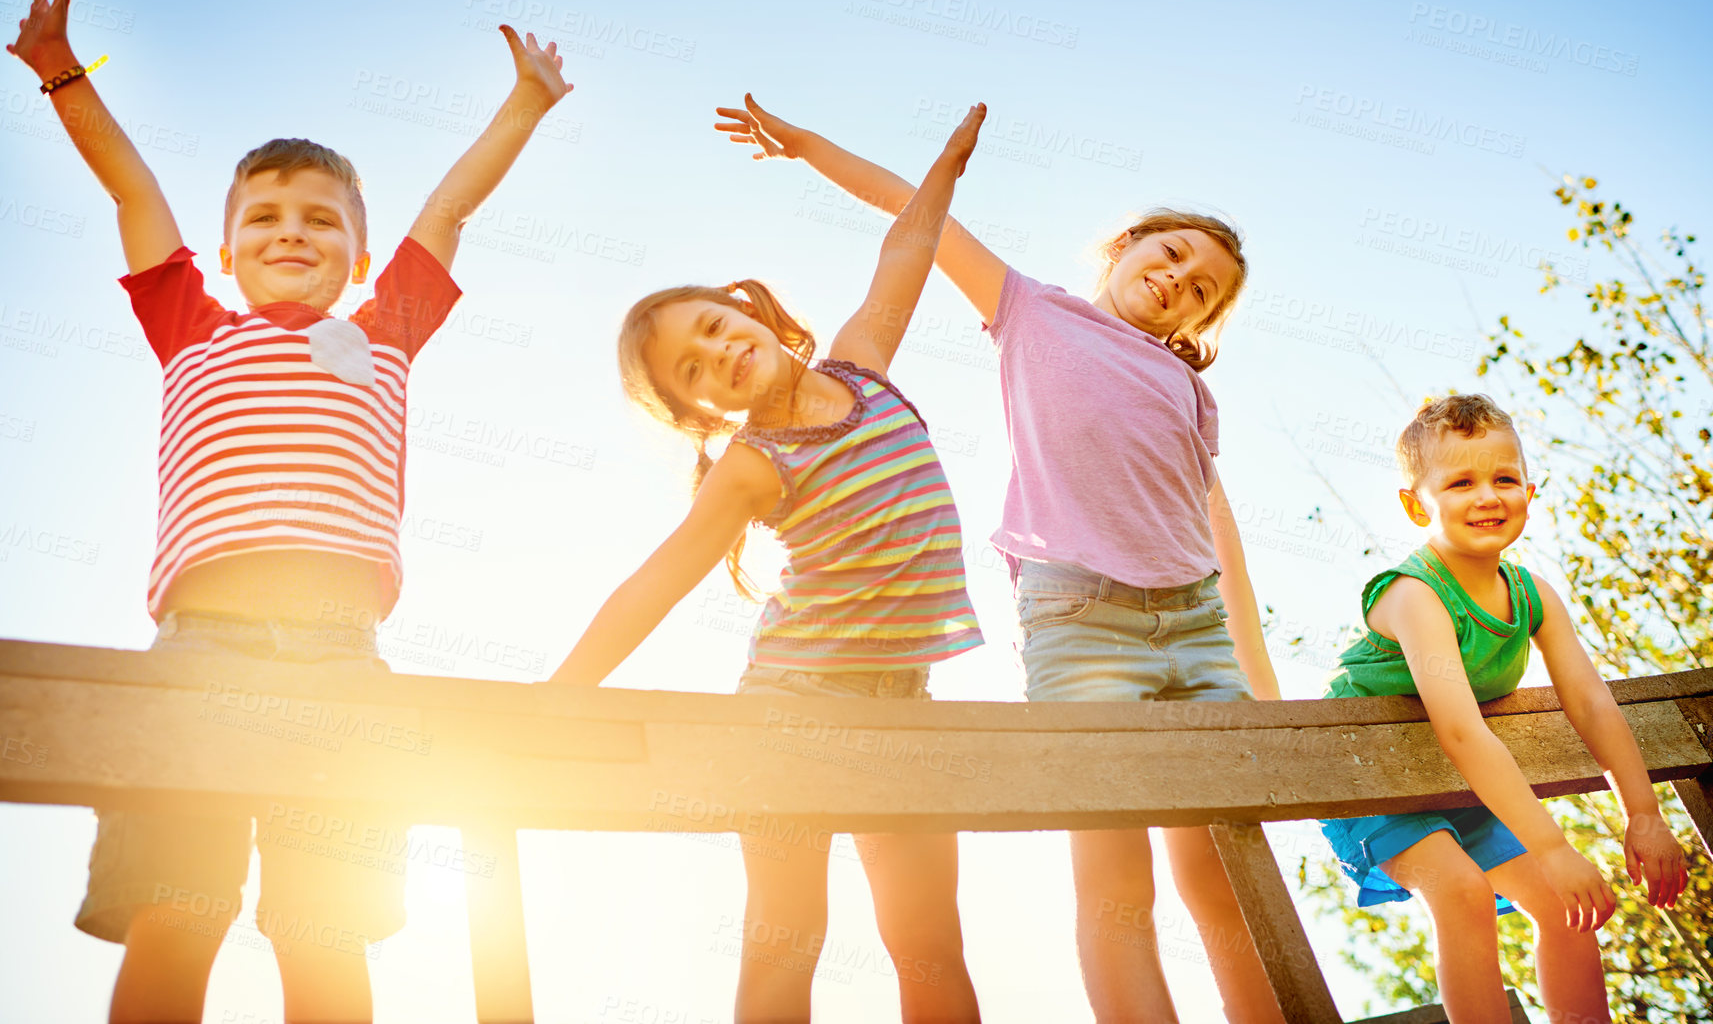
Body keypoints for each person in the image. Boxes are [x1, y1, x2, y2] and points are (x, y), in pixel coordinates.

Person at [7, 0, 571, 1024]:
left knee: (323, 922)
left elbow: (448, 207)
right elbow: (134, 195)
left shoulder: (385, 329)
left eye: (321, 219)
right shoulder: (192, 324)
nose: (292, 230)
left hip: (339, 651)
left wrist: (526, 104)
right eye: (263, 216)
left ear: (359, 254)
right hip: (199, 643)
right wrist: (63, 76)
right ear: (226, 252)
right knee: (177, 907)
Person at [711, 95, 1284, 1023]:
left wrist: (1250, 675)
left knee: (1224, 866)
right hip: (1083, 621)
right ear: (1127, 244)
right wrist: (809, 145)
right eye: (1173, 254)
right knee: (1114, 878)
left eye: (1205, 289)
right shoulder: (1031, 311)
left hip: (1193, 625)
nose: (1182, 280)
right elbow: (917, 218)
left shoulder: (1183, 384)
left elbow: (1219, 540)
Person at [549, 105, 989, 1022]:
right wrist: (563, 693)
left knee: (930, 945)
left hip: (903, 707)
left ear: (748, 313)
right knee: (788, 935)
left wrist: (938, 164)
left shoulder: (862, 369)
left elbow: (905, 253)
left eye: (713, 326)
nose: (718, 353)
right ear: (698, 412)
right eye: (693, 369)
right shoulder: (755, 464)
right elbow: (657, 580)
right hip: (793, 710)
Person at [1318, 393, 1687, 1023]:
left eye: (1504, 478)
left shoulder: (1531, 594)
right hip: (1373, 778)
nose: (1488, 496)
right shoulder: (1415, 595)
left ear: (1530, 491)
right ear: (1416, 504)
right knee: (1462, 893)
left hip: (1461, 785)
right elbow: (1462, 732)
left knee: (1564, 903)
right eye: (1461, 482)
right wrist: (1550, 846)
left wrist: (1644, 814)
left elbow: (1592, 703)